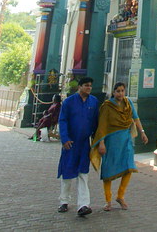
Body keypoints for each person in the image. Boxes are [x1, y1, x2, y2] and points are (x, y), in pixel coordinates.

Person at [90, 82, 148, 211]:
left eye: (122, 90)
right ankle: (108, 200)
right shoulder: (107, 106)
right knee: (108, 169)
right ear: (113, 92)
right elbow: (103, 125)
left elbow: (136, 118)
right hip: (111, 140)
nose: (120, 93)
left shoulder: (128, 103)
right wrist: (102, 142)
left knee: (129, 167)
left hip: (126, 139)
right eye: (118, 91)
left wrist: (142, 133)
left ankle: (120, 196)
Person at [58, 77, 99, 217]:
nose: (89, 88)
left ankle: (83, 205)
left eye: (90, 86)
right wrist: (64, 138)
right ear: (79, 87)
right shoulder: (69, 102)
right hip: (70, 143)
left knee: (83, 173)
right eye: (86, 85)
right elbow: (62, 120)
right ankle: (64, 201)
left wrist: (96, 141)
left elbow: (95, 123)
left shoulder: (93, 102)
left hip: (84, 144)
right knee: (68, 171)